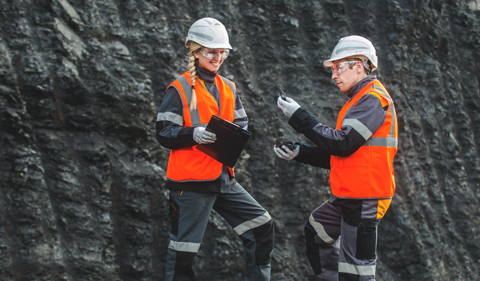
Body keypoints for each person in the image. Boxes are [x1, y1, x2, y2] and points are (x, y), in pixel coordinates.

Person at [156, 17, 274, 281]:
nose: (218, 56)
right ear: (196, 51)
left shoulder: (228, 87)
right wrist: (193, 134)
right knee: (183, 252)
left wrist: (233, 133)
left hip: (223, 179)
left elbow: (241, 123)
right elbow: (163, 132)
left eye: (222, 51)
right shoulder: (179, 88)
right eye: (212, 51)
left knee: (261, 227)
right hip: (190, 184)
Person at [274, 35, 398, 281]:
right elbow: (342, 153)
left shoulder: (373, 99)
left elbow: (342, 144)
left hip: (366, 197)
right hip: (350, 194)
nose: (333, 75)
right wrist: (300, 151)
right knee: (317, 232)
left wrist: (299, 116)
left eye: (338, 67)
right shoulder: (358, 101)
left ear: (359, 66)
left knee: (358, 271)